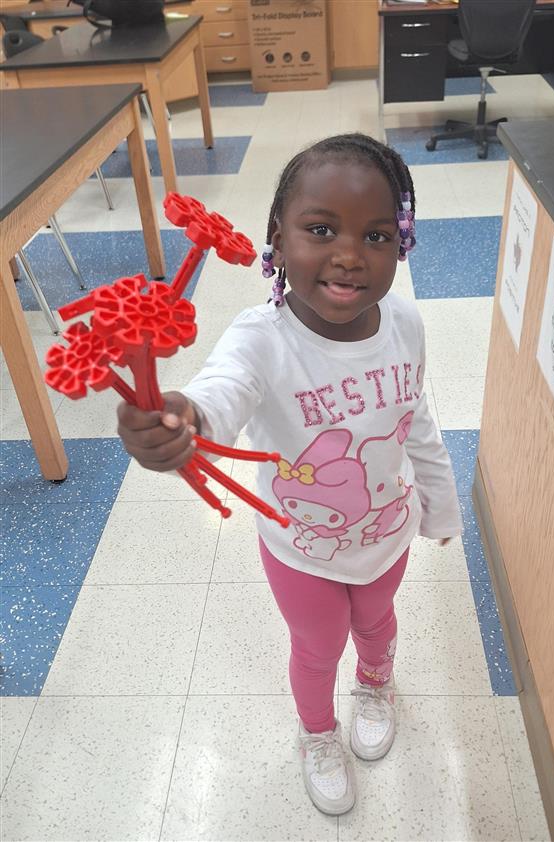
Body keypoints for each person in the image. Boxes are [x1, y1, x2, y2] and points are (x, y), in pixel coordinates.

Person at [117, 133, 463, 816]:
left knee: (377, 623)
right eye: (321, 229)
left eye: (376, 236)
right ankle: (317, 733)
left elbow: (415, 419)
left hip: (387, 533)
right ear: (277, 236)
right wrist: (184, 419)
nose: (349, 255)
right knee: (316, 645)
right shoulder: (261, 338)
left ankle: (375, 684)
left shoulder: (404, 323)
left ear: (401, 244)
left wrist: (441, 506)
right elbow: (220, 394)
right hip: (300, 549)